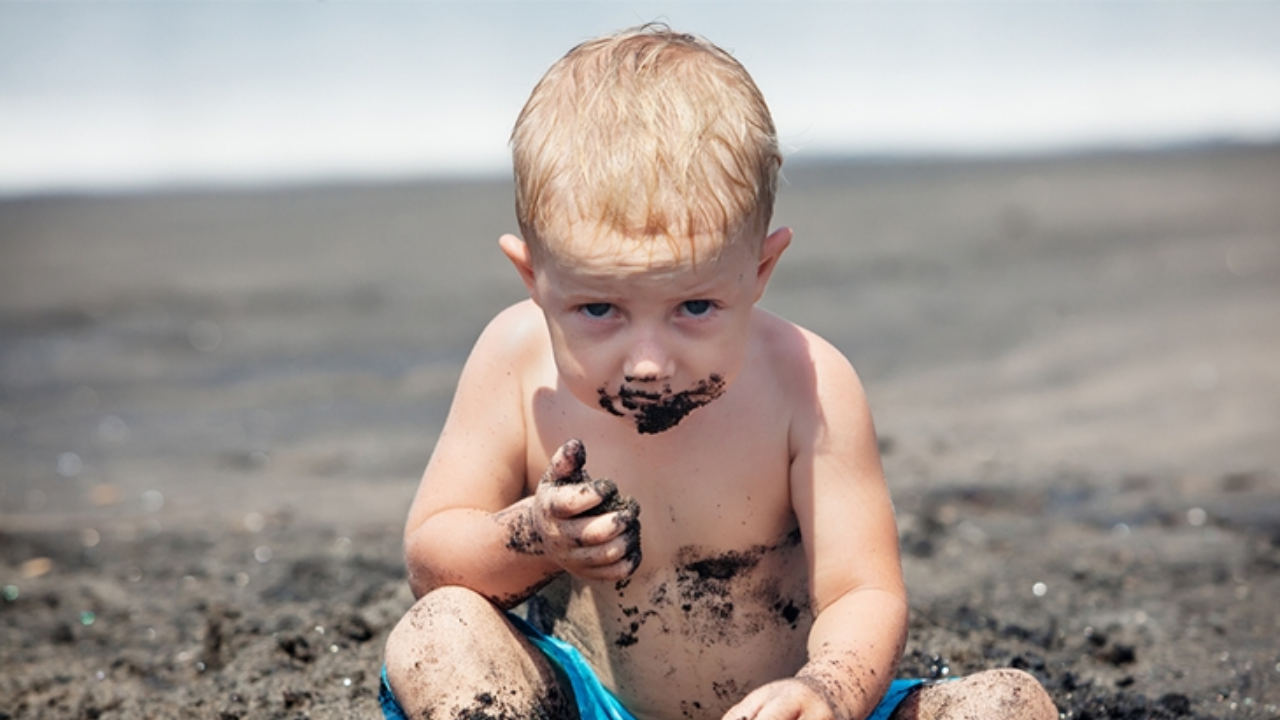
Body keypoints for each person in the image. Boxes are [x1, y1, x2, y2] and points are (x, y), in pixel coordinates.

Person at [382, 25, 1057, 720]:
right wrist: (535, 536)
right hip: (586, 704)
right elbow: (436, 567)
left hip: (781, 708)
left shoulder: (807, 385)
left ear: (761, 270)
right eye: (598, 309)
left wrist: (826, 690)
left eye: (695, 305)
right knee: (440, 634)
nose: (649, 360)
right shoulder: (517, 365)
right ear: (534, 277)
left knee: (1009, 703)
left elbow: (863, 591)